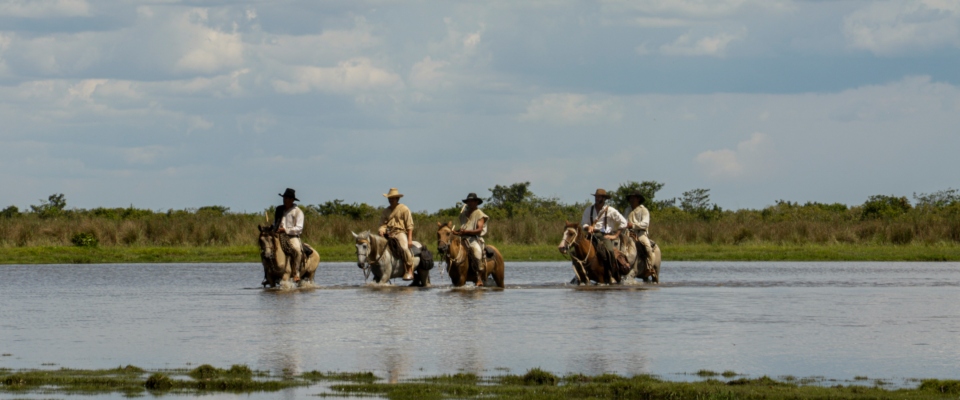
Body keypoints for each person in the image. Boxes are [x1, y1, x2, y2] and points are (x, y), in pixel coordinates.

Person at [580, 188, 628, 280]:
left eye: (599, 197)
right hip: (591, 235)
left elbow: (624, 222)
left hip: (604, 236)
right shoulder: (589, 210)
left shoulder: (611, 210)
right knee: (578, 250)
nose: (597, 198)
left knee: (610, 251)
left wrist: (615, 235)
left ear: (604, 198)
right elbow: (583, 223)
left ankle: (612, 272)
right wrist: (588, 227)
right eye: (596, 197)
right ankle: (580, 273)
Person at [378, 188, 416, 280]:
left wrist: (409, 239)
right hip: (389, 233)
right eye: (389, 198)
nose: (391, 200)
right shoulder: (385, 211)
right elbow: (382, 224)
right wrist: (381, 230)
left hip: (400, 232)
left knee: (404, 248)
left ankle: (409, 269)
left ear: (397, 199)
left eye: (393, 198)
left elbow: (409, 225)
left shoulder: (404, 209)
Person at [454, 193, 489, 286]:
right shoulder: (463, 214)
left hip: (474, 239)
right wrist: (455, 232)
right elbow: (462, 228)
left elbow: (479, 230)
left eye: (471, 201)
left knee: (477, 253)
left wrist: (466, 232)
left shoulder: (479, 214)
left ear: (476, 202)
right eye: (468, 201)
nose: (469, 203)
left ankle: (479, 277)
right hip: (462, 238)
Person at [273, 188, 304, 282]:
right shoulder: (279, 209)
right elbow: (275, 223)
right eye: (284, 198)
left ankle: (296, 273)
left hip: (292, 236)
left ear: (292, 200)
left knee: (297, 250)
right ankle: (269, 274)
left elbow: (299, 228)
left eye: (287, 198)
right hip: (278, 235)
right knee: (268, 250)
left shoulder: (298, 212)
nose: (284, 200)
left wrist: (285, 230)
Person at [625, 191, 655, 272]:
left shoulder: (644, 210)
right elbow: (624, 220)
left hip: (640, 234)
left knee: (648, 247)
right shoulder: (627, 210)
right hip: (628, 233)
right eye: (630, 198)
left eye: (633, 198)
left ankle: (649, 267)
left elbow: (645, 223)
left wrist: (633, 225)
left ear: (638, 199)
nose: (631, 200)